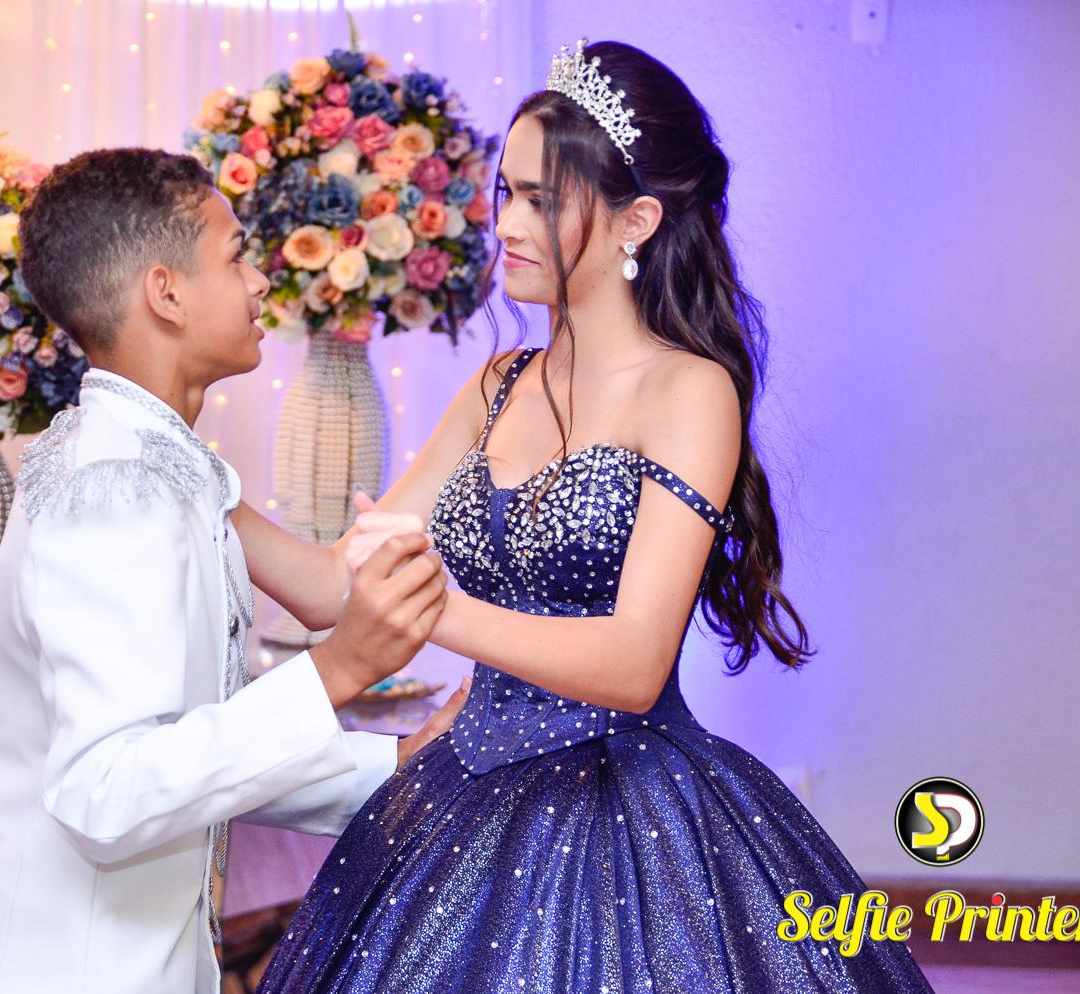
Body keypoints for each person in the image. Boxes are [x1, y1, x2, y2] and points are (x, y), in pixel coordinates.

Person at [246, 40, 937, 993]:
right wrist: (204, 491)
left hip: (629, 806)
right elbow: (334, 585)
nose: (507, 224)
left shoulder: (689, 391)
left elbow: (632, 663)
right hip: (462, 783)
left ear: (635, 222)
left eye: (542, 200)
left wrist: (429, 606)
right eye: (507, 193)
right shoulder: (498, 385)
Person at [0, 148, 465, 994]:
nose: (260, 283)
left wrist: (392, 766)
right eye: (237, 256)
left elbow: (188, 747)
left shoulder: (164, 462)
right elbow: (108, 793)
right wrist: (338, 669)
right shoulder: (113, 490)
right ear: (166, 293)